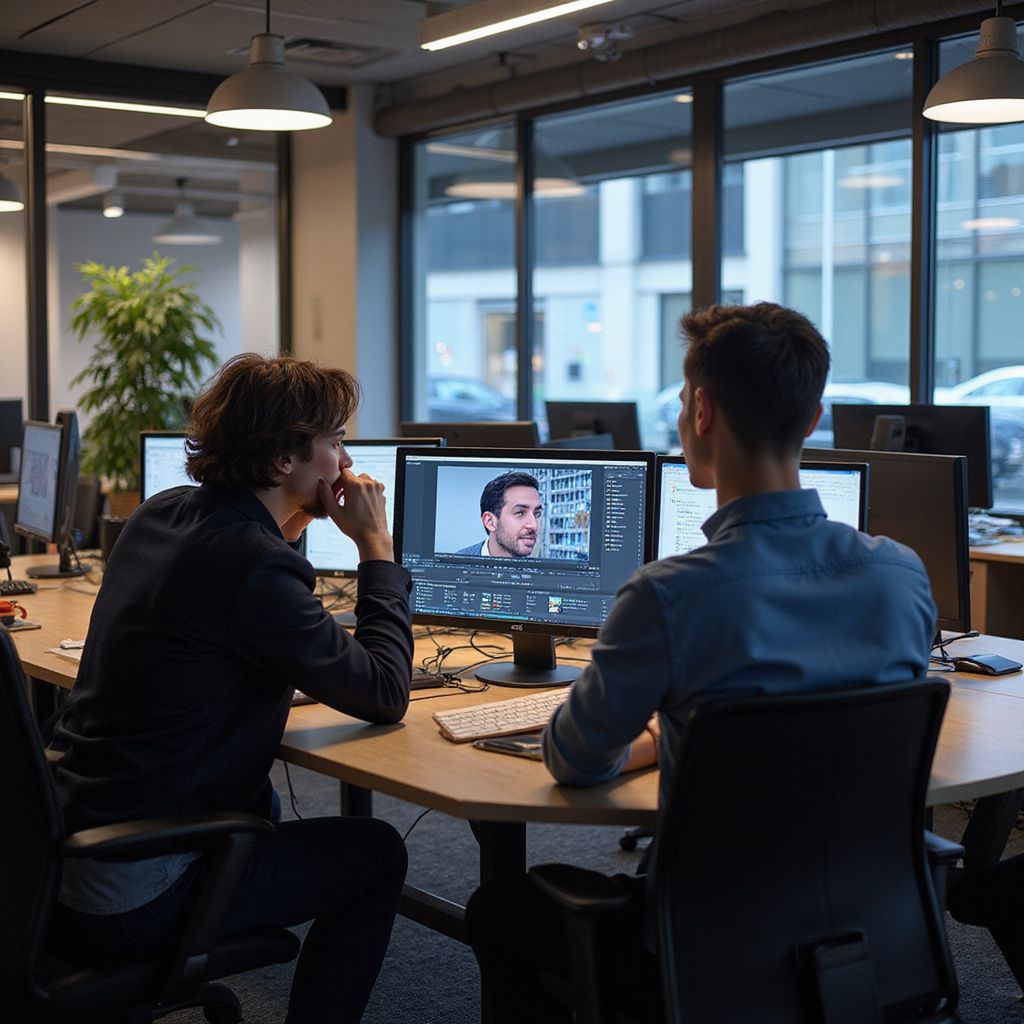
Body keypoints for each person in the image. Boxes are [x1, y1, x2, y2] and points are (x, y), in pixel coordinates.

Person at [465, 302, 937, 1023]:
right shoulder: (901, 575)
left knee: (499, 906)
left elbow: (576, 761)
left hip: (701, 958)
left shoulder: (670, 596)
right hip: (878, 938)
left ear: (701, 410)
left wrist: (660, 733)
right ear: (812, 420)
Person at [49, 353, 414, 1024]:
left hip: (68, 852)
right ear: (284, 461)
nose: (345, 460)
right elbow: (387, 691)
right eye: (335, 442)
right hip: (139, 886)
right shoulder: (252, 567)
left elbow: (246, 602)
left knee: (267, 802)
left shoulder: (162, 515)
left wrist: (295, 522)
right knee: (378, 853)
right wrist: (376, 550)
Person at [455, 470, 543, 557]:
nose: (534, 526)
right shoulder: (458, 563)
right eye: (520, 513)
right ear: (490, 522)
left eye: (537, 514)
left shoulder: (542, 568)